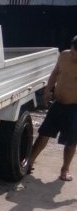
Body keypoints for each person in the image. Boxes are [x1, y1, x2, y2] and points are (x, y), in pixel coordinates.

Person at [29, 35, 77, 181]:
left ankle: (65, 169)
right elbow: (56, 72)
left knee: (71, 140)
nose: (74, 56)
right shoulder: (64, 55)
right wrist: (48, 90)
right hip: (58, 103)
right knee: (44, 133)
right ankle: (29, 161)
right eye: (74, 52)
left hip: (74, 108)